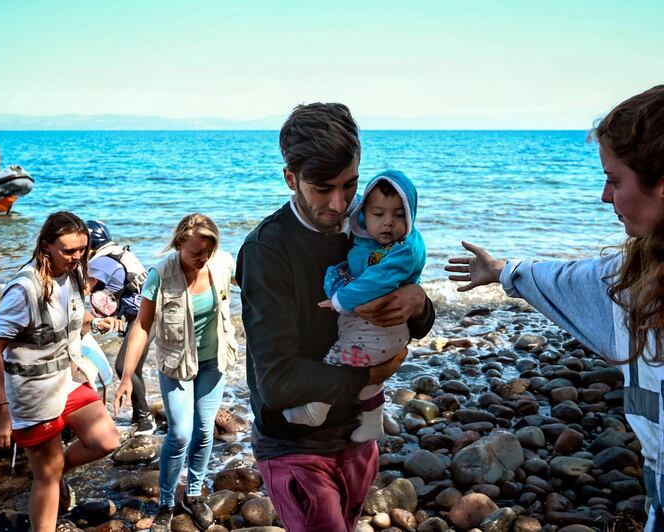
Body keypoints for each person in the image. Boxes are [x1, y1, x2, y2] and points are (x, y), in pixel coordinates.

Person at [445, 85, 664, 532]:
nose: (605, 195)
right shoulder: (629, 277)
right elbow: (563, 280)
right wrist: (503, 271)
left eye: (614, 179)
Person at [237, 102, 435, 532]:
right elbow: (276, 383)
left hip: (356, 436)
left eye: (350, 185)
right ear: (291, 178)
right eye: (322, 188)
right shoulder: (266, 252)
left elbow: (413, 317)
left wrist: (420, 304)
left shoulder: (369, 224)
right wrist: (377, 373)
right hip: (294, 446)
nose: (339, 202)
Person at [0, 211, 121, 532]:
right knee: (47, 476)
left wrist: (95, 324)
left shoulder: (73, 275)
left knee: (106, 439)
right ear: (46, 245)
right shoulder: (24, 290)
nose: (77, 257)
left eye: (82, 250)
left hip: (67, 379)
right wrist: (0, 412)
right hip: (33, 393)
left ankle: (51, 470)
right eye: (68, 250)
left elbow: (71, 321)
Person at [113, 213, 238, 532]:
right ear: (180, 243)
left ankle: (194, 494)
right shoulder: (161, 274)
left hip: (213, 360)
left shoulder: (222, 263)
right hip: (176, 365)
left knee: (205, 430)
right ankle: (167, 502)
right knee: (180, 432)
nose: (203, 258)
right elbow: (142, 326)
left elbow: (255, 286)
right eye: (197, 252)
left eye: (208, 251)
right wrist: (128, 375)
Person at [282, 170, 426, 443]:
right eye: (378, 214)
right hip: (383, 331)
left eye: (399, 215)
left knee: (337, 361)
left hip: (381, 328)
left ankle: (316, 410)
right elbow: (355, 204)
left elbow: (375, 281)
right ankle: (372, 423)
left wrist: (339, 301)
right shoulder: (365, 232)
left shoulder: (402, 249)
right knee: (370, 383)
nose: (388, 224)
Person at [85, 220, 156, 435]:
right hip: (153, 312)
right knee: (134, 366)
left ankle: (145, 420)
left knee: (124, 367)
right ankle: (139, 415)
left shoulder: (98, 263)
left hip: (144, 317)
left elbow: (84, 291)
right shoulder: (118, 252)